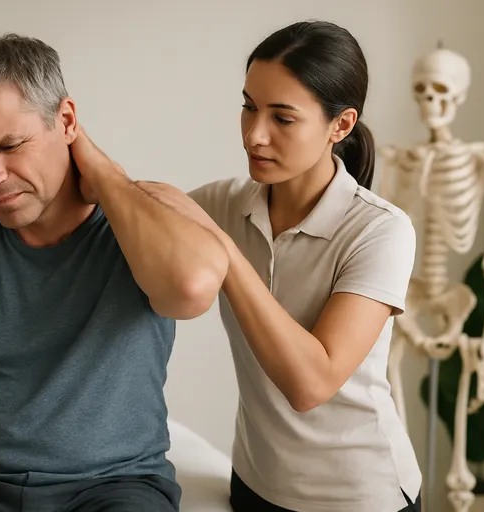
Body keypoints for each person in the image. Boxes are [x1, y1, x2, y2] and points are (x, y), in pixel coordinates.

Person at [0, 32, 229, 512]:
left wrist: (105, 176)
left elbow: (191, 291)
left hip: (114, 488)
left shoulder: (144, 222)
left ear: (67, 120)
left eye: (10, 145)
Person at [181, 20, 423, 512]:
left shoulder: (381, 231)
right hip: (253, 486)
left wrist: (226, 254)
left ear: (342, 125)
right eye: (249, 106)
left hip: (360, 497)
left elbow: (311, 384)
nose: (254, 134)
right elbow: (121, 221)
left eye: (282, 118)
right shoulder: (220, 205)